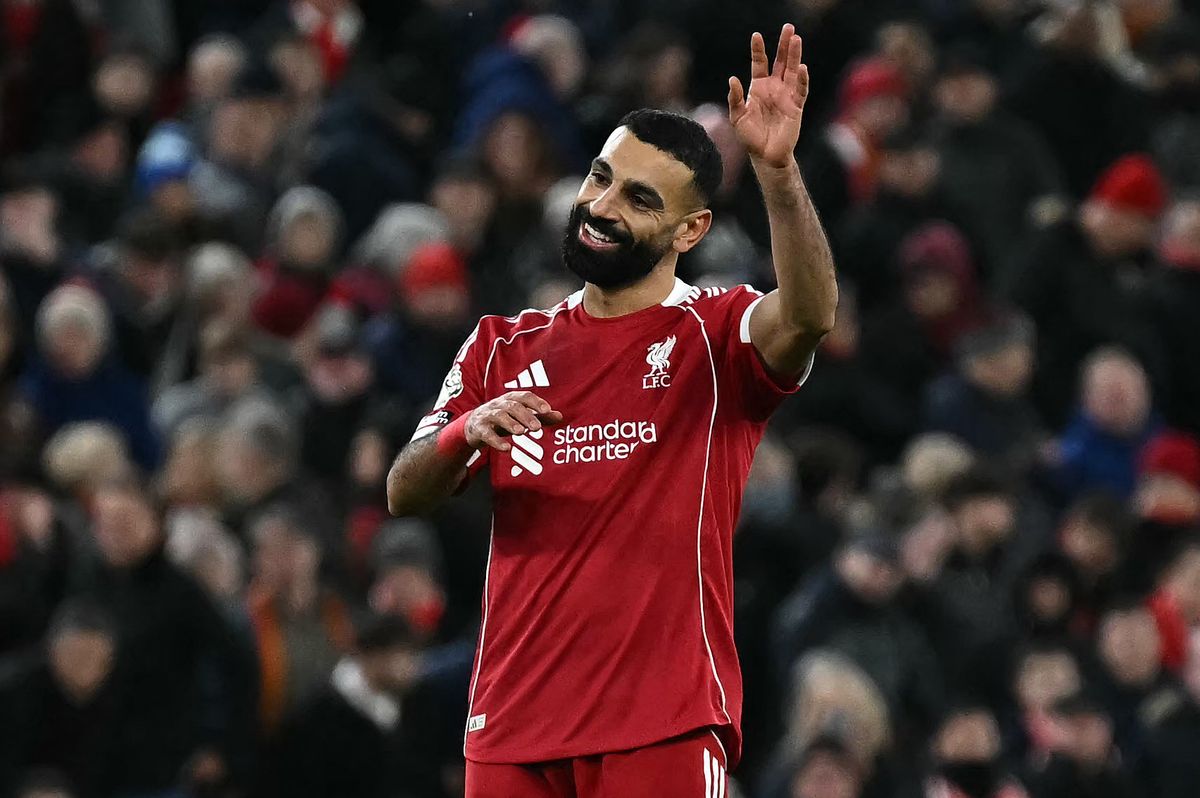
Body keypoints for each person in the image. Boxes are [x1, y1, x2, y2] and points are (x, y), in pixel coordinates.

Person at [386, 24, 838, 796]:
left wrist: (778, 174)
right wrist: (465, 432)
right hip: (512, 727)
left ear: (691, 230)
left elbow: (808, 316)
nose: (600, 206)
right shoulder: (500, 345)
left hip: (660, 722)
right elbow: (404, 490)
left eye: (637, 198)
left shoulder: (716, 333)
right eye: (600, 177)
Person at [0, 601, 120, 797]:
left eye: (98, 660)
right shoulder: (12, 693)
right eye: (78, 657)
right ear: (53, 652)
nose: (87, 670)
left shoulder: (116, 699)